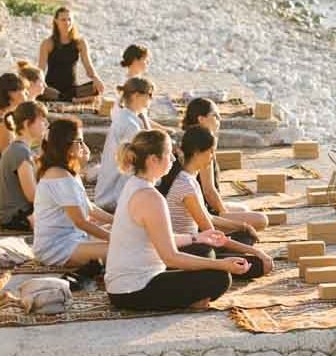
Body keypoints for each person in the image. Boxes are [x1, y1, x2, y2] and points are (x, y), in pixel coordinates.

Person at [105, 130, 249, 311]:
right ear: (153, 160)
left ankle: (191, 298)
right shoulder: (150, 198)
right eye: (168, 154)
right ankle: (189, 301)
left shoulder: (135, 185)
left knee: (201, 248)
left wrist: (198, 238)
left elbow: (161, 239)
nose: (173, 160)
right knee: (219, 277)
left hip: (124, 286)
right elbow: (171, 258)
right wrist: (220, 264)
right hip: (133, 290)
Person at [157, 126, 272, 279]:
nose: (212, 156)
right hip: (186, 249)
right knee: (261, 264)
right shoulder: (185, 185)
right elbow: (213, 234)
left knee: (245, 236)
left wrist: (243, 226)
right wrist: (256, 252)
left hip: (198, 240)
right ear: (197, 153)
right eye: (211, 151)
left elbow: (208, 218)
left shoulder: (189, 178)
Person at [33, 117, 112, 266]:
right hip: (56, 247)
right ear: (66, 146)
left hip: (74, 238)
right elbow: (81, 221)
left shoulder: (68, 173)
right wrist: (113, 238)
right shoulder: (59, 176)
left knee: (125, 233)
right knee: (122, 250)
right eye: (80, 142)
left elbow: (90, 208)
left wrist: (116, 221)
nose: (84, 147)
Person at [182, 98, 267, 230]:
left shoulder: (190, 136)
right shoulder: (202, 144)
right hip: (200, 210)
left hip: (198, 204)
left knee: (244, 208)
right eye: (215, 115)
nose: (219, 118)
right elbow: (209, 191)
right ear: (201, 119)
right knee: (261, 220)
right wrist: (225, 214)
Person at [95, 77, 156, 211]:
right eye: (149, 95)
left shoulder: (125, 116)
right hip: (113, 195)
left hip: (108, 189)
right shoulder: (130, 124)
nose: (151, 99)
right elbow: (136, 161)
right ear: (136, 95)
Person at [0, 101, 48, 231]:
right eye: (42, 121)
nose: (46, 125)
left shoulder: (23, 149)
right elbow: (32, 195)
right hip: (15, 217)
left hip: (22, 213)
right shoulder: (20, 151)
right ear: (26, 124)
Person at [38, 7, 105, 102]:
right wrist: (39, 83)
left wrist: (96, 79)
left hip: (72, 89)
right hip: (52, 89)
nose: (67, 23)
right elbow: (41, 69)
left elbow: (88, 66)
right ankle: (72, 99)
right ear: (56, 21)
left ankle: (66, 98)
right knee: (39, 90)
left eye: (69, 19)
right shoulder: (47, 43)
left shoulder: (80, 43)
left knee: (96, 87)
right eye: (63, 20)